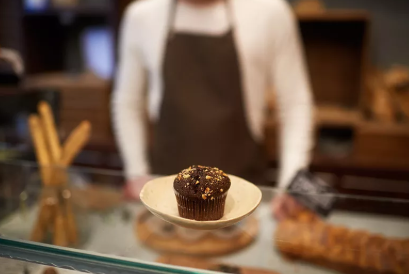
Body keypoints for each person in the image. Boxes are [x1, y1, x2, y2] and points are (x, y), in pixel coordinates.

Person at [112, 0, 313, 219]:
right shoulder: (141, 16)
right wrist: (136, 172)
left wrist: (291, 184)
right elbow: (127, 102)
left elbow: (295, 104)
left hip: (245, 200)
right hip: (166, 202)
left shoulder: (270, 12)